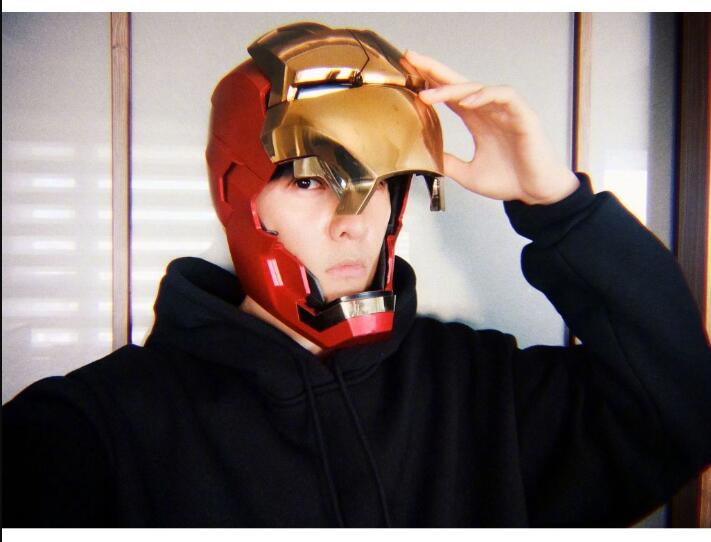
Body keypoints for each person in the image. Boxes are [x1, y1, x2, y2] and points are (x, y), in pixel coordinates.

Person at [3, 22, 710, 528]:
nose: (354, 224)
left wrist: (557, 206)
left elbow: (682, 409)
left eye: (379, 184)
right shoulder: (97, 429)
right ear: (235, 192)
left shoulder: (480, 391)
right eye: (312, 181)